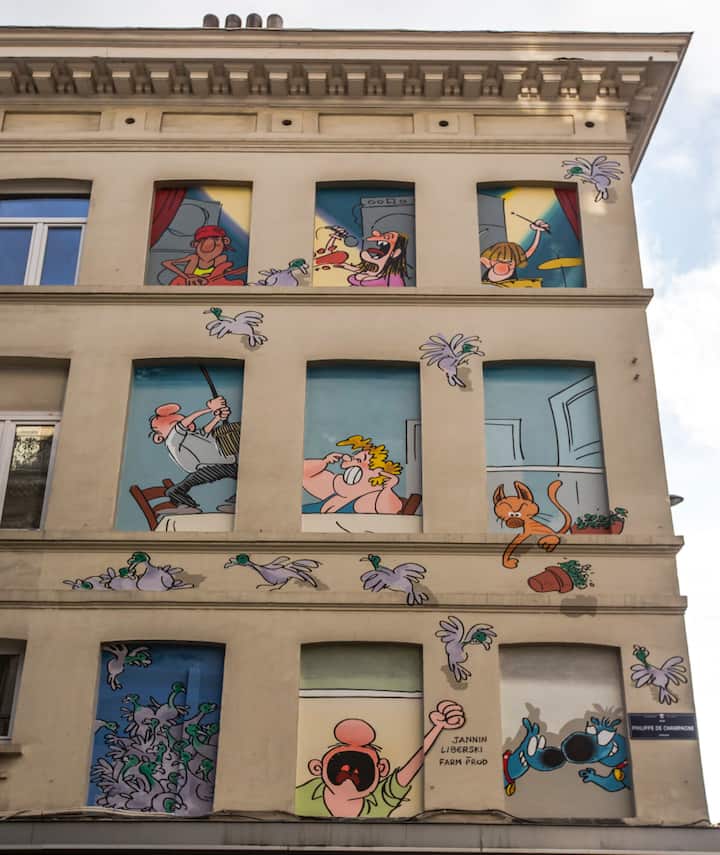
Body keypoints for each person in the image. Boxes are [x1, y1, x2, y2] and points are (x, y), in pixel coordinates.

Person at [295, 700, 465, 818]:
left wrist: (438, 728)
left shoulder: (380, 800)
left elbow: (411, 768)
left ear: (381, 769)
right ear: (317, 768)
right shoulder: (305, 794)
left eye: (363, 768)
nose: (351, 774)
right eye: (341, 764)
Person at [149, 397, 237, 513]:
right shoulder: (172, 439)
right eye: (174, 424)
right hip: (205, 468)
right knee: (176, 490)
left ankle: (235, 501)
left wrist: (217, 418)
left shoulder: (188, 436)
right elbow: (185, 422)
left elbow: (204, 432)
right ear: (159, 437)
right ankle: (185, 505)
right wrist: (210, 409)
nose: (187, 425)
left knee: (239, 472)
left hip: (219, 464)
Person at [302, 434, 403, 514]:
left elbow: (390, 511)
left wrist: (387, 489)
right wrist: (325, 461)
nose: (346, 458)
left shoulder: (366, 499)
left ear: (376, 473)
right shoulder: (336, 487)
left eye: (359, 460)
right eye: (353, 458)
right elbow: (301, 474)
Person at [162, 225, 246, 286]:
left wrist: (228, 271)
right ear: (195, 244)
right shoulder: (194, 258)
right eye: (203, 240)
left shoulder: (220, 259)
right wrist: (187, 277)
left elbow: (217, 274)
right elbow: (167, 263)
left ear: (225, 241)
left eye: (216, 239)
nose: (210, 246)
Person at [480, 218, 549, 284]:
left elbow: (531, 249)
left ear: (516, 261)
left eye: (509, 262)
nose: (503, 264)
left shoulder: (515, 263)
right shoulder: (488, 262)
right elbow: (481, 258)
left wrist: (538, 232)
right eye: (498, 261)